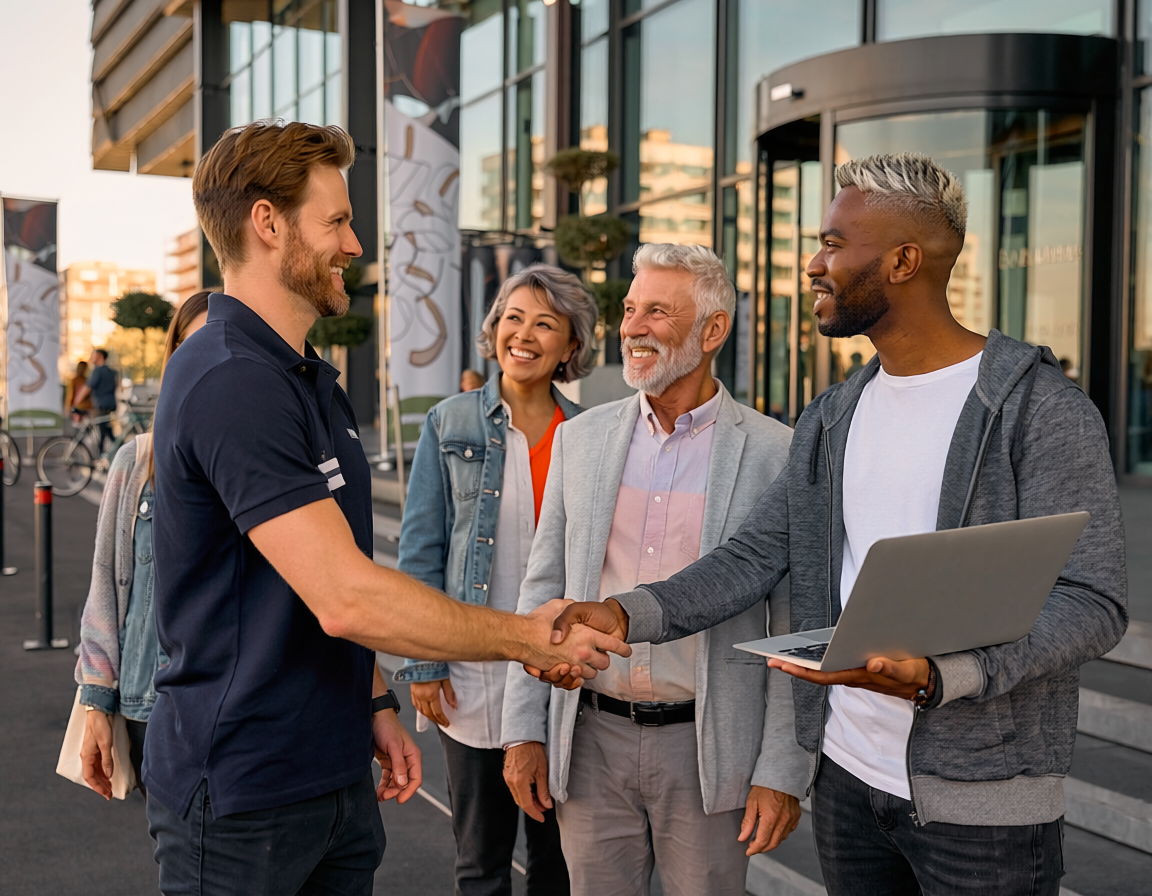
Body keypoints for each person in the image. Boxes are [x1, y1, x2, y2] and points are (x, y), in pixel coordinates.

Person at [547, 154, 1127, 896]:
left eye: (831, 243)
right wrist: (626, 613)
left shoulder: (1037, 408)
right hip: (849, 787)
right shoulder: (832, 415)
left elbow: (1093, 601)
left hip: (984, 803)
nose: (812, 265)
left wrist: (944, 677)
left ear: (903, 260)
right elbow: (758, 553)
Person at [145, 120, 626, 896]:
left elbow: (315, 581)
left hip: (330, 772)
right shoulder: (231, 378)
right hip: (244, 794)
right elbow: (346, 595)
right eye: (335, 221)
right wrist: (526, 638)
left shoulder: (308, 380)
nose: (354, 244)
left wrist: (370, 699)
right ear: (267, 224)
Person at [501, 244, 809, 896]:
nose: (633, 327)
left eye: (657, 312)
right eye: (630, 309)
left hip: (708, 747)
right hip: (588, 739)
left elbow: (795, 625)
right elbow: (542, 589)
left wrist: (782, 768)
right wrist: (524, 730)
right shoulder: (579, 439)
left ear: (713, 329)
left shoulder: (775, 453)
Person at [397, 264, 597, 896]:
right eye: (514, 318)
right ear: (494, 330)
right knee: (481, 861)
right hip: (474, 675)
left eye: (546, 323)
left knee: (557, 861)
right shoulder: (450, 422)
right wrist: (423, 663)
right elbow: (420, 550)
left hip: (562, 675)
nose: (525, 334)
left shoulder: (590, 435)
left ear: (571, 345)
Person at [74, 290, 212, 799]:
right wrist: (97, 702)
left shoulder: (267, 460)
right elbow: (106, 587)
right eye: (196, 349)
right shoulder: (137, 461)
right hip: (149, 706)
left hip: (244, 719)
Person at [74, 348, 118, 453]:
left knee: (101, 434)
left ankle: (102, 456)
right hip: (110, 405)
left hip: (101, 406)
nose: (91, 358)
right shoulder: (111, 371)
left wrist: (76, 402)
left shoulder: (98, 371)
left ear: (100, 357)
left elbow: (87, 387)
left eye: (93, 355)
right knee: (107, 433)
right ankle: (111, 453)